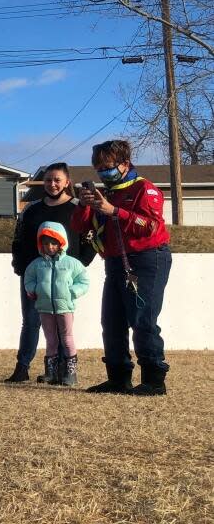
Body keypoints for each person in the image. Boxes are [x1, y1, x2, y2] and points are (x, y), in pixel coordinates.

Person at [71, 140, 171, 395]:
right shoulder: (109, 192)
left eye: (107, 167)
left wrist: (115, 210)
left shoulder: (144, 189)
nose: (103, 173)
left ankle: (154, 379)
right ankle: (118, 377)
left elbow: (150, 226)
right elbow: (80, 227)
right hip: (115, 261)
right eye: (98, 169)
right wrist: (84, 205)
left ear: (125, 164)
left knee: (142, 318)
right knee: (112, 320)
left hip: (146, 259)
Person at [6, 163, 95, 383]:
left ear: (67, 182)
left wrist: (78, 265)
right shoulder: (31, 209)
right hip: (35, 276)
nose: (52, 184)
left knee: (63, 327)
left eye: (57, 180)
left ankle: (65, 371)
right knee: (30, 322)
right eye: (48, 180)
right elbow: (18, 239)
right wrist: (20, 266)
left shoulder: (77, 207)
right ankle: (22, 367)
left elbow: (90, 239)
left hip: (64, 279)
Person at [23, 222, 89, 386]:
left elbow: (84, 281)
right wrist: (33, 289)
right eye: (46, 243)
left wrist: (72, 292)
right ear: (41, 245)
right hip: (45, 308)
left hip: (65, 308)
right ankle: (50, 373)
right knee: (51, 340)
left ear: (61, 243)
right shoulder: (37, 264)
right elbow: (28, 279)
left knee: (66, 338)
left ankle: (71, 373)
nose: (50, 247)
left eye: (53, 243)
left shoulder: (71, 263)